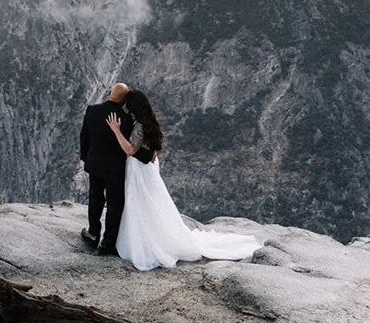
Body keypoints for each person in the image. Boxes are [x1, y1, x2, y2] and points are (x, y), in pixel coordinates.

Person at [104, 88, 262, 271]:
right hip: (148, 167)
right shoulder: (149, 122)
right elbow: (151, 148)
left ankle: (145, 240)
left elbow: (130, 150)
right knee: (150, 201)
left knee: (140, 201)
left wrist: (116, 131)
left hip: (139, 168)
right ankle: (155, 235)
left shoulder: (139, 125)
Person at [79, 82, 133, 255]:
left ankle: (93, 233)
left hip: (95, 163)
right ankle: (108, 243)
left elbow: (84, 137)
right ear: (124, 101)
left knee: (95, 197)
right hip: (115, 168)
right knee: (114, 204)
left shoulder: (92, 111)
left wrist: (86, 159)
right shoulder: (126, 119)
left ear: (110, 93)